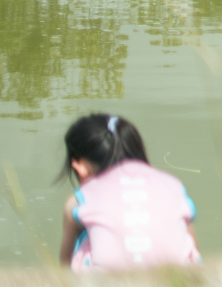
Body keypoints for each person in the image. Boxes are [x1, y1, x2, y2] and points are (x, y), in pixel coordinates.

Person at [59, 114, 200, 272]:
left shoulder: (79, 199)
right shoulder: (173, 186)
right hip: (178, 280)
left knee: (84, 232)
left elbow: (63, 269)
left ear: (80, 167)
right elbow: (193, 250)